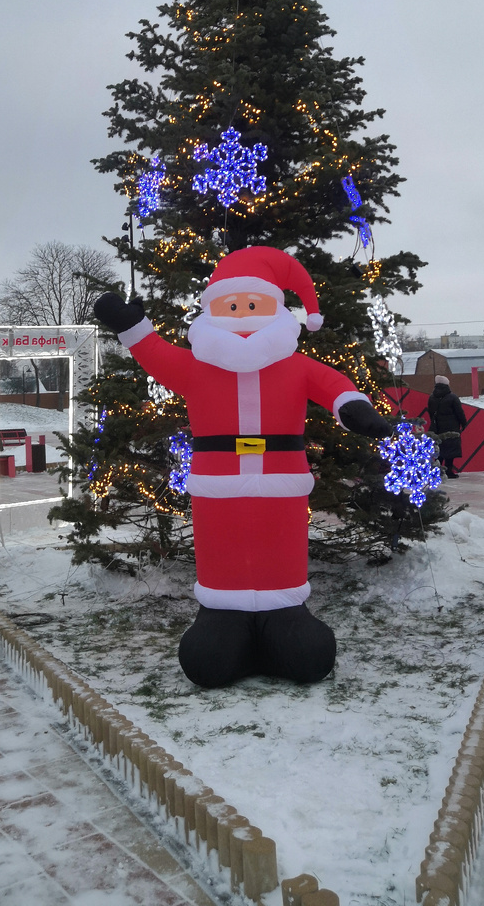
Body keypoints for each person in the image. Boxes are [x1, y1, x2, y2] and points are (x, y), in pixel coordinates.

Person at [94, 246, 394, 690]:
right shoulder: (195, 368)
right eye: (231, 306)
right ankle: (224, 616)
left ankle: (284, 615)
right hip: (217, 487)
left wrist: (352, 408)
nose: (241, 315)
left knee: (291, 594)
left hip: (282, 485)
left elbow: (333, 384)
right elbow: (155, 352)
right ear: (214, 311)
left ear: (275, 310)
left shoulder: (296, 366)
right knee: (216, 610)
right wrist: (130, 325)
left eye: (253, 306)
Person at [426, 375, 467, 478]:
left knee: (439, 449)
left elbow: (431, 412)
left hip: (437, 427)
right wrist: (464, 423)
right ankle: (448, 471)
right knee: (451, 449)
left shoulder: (432, 397)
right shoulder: (452, 397)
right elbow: (459, 412)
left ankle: (437, 471)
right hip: (451, 426)